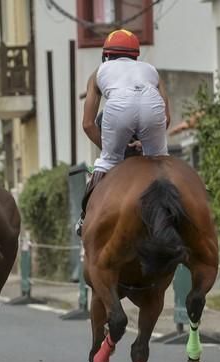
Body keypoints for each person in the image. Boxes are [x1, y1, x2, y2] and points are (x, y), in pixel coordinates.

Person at [76, 29, 170, 236]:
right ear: (135, 56)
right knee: (161, 162)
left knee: (108, 161)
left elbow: (88, 125)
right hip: (152, 106)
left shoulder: (99, 71)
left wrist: (111, 148)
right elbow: (167, 118)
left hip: (119, 107)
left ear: (106, 55)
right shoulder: (151, 70)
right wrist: (145, 147)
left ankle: (84, 219)